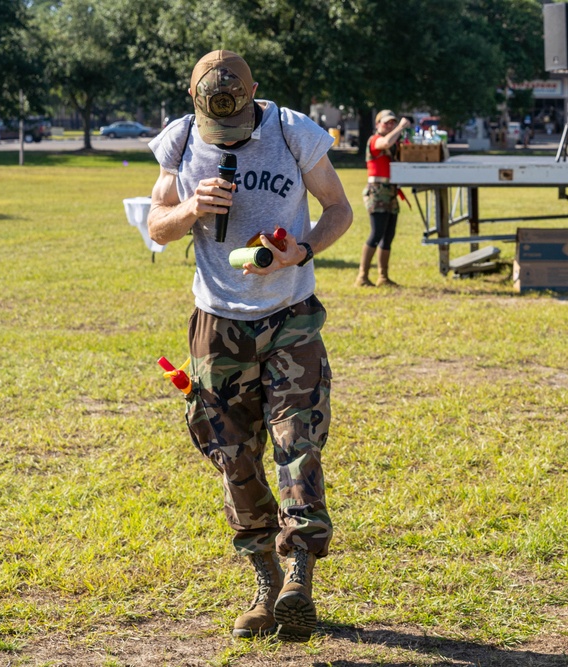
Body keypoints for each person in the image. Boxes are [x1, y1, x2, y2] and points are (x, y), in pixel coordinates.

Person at [146, 50, 354, 640]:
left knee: (298, 445)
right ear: (193, 102)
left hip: (290, 318)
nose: (230, 139)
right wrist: (189, 207)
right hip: (217, 326)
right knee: (232, 455)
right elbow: (156, 227)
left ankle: (298, 579)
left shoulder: (293, 132)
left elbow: (338, 208)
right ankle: (263, 579)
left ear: (255, 92)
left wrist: (303, 250)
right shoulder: (181, 142)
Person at [355, 109, 411, 287]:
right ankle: (362, 276)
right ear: (378, 124)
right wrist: (401, 127)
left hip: (391, 192)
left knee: (388, 235)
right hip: (378, 192)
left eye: (392, 123)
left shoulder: (395, 142)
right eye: (386, 122)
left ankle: (383, 277)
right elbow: (384, 143)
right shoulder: (375, 140)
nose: (390, 125)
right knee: (376, 233)